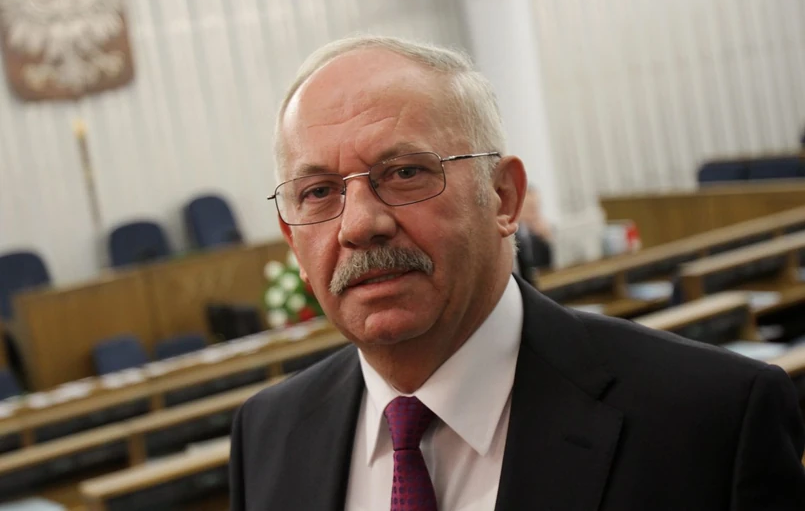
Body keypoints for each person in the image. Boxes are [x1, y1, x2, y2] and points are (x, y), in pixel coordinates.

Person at [230, 36, 805, 510]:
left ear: (504, 197)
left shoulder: (711, 420)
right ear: (293, 242)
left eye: (404, 172)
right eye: (318, 192)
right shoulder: (267, 437)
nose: (359, 224)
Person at [514, 185, 553, 283]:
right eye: (530, 207)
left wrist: (547, 241)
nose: (535, 212)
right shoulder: (513, 233)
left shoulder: (541, 234)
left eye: (537, 207)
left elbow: (548, 269)